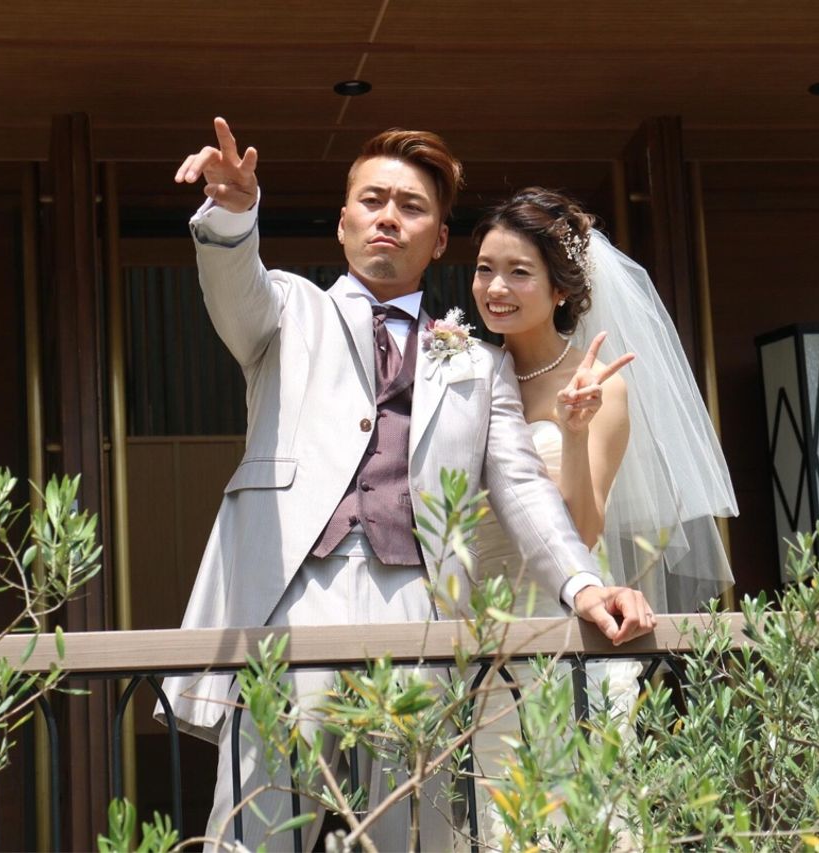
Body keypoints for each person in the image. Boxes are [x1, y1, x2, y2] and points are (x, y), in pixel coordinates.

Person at [157, 120, 657, 851]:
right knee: (256, 832)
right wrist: (235, 214)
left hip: (423, 607)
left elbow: (523, 488)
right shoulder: (286, 310)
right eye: (372, 200)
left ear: (440, 239)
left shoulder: (479, 363)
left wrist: (584, 586)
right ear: (343, 222)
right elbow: (233, 288)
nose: (388, 216)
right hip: (291, 597)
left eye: (411, 206)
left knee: (417, 833)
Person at [466, 188, 738, 844]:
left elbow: (584, 533)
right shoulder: (464, 373)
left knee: (579, 819)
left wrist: (574, 431)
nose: (495, 288)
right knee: (487, 822)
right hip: (472, 629)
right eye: (483, 269)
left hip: (564, 623)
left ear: (560, 289)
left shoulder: (601, 385)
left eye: (518, 272)